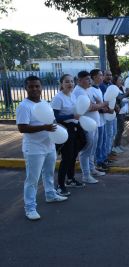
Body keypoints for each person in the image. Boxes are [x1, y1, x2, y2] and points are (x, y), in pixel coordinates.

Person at [16, 75, 68, 221]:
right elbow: (22, 128)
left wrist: (57, 129)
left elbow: (51, 121)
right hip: (33, 148)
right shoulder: (24, 106)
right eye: (31, 86)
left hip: (49, 145)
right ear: (25, 88)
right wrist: (44, 127)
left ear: (41, 87)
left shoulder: (44, 102)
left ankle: (50, 195)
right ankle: (30, 207)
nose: (34, 89)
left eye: (37, 86)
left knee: (49, 173)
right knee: (32, 179)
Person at [51, 74, 86, 196]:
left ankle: (70, 179)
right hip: (65, 129)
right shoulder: (58, 98)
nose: (70, 84)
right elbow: (55, 117)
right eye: (67, 82)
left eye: (71, 81)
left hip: (75, 127)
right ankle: (60, 185)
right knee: (67, 157)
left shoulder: (73, 95)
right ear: (61, 84)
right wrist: (71, 116)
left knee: (74, 155)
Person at [72, 71, 108, 184]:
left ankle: (92, 169)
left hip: (94, 123)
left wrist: (98, 104)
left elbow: (96, 102)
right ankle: (86, 175)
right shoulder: (79, 91)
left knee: (92, 149)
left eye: (89, 79)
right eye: (87, 79)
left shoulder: (88, 89)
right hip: (86, 125)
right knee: (86, 151)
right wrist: (102, 104)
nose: (90, 81)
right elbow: (90, 107)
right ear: (79, 80)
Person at [90, 69, 108, 172]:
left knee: (103, 141)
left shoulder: (98, 89)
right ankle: (98, 162)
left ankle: (102, 159)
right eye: (100, 75)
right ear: (94, 77)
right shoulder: (91, 90)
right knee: (98, 143)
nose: (102, 77)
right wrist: (103, 107)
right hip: (96, 121)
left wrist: (104, 108)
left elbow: (101, 103)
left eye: (102, 75)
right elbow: (94, 106)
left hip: (102, 120)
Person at [114, 75, 129, 152]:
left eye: (122, 80)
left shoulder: (121, 88)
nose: (121, 81)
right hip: (118, 111)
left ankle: (118, 145)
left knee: (122, 129)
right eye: (120, 80)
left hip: (123, 110)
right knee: (119, 129)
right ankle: (115, 146)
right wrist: (128, 92)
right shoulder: (115, 88)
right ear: (115, 81)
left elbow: (125, 96)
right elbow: (120, 97)